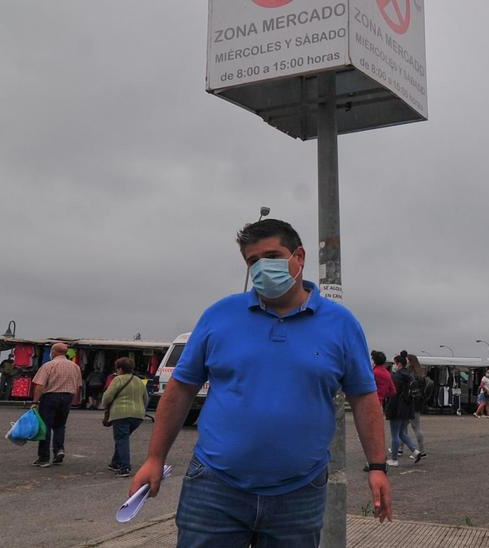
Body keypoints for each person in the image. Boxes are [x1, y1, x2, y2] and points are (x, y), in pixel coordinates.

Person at [128, 219, 391, 547]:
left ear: (300, 256)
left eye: (273, 255)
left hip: (299, 493)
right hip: (214, 488)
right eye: (253, 261)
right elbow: (181, 390)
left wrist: (377, 466)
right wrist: (155, 458)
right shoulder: (219, 316)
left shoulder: (341, 324)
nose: (263, 267)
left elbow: (365, 398)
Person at [31, 342, 82, 467]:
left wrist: (35, 401)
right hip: (67, 397)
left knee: (45, 427)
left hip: (50, 397)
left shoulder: (49, 365)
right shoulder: (75, 366)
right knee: (60, 425)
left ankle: (44, 457)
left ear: (53, 352)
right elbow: (78, 385)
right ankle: (59, 449)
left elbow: (39, 385)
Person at [102, 357, 148, 478]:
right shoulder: (139, 380)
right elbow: (146, 399)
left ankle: (125, 467)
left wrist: (104, 405)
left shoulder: (118, 379)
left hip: (121, 413)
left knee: (121, 439)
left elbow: (107, 396)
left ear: (120, 369)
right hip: (138, 415)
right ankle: (115, 463)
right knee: (123, 438)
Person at [385, 354, 418, 467]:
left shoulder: (396, 376)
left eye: (394, 363)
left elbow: (393, 394)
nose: (394, 365)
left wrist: (389, 409)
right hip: (407, 408)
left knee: (395, 434)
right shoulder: (410, 375)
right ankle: (415, 451)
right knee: (402, 433)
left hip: (397, 407)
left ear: (398, 364)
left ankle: (394, 459)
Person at [405, 353, 429, 462]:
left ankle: (418, 450)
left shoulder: (410, 374)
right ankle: (421, 450)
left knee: (404, 427)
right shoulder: (421, 374)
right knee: (416, 427)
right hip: (418, 403)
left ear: (410, 361)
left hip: (409, 403)